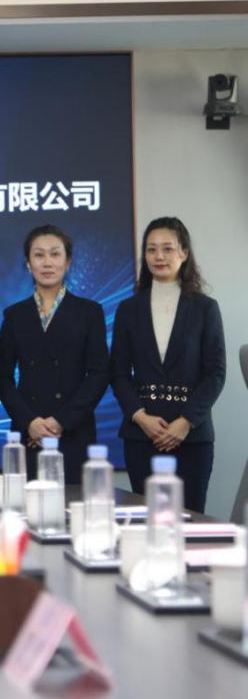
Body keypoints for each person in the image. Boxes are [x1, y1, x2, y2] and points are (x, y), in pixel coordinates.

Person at [111, 217, 225, 513]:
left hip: (192, 437)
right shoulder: (128, 309)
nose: (158, 256)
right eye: (151, 250)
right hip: (141, 436)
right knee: (148, 522)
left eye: (167, 249)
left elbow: (215, 374)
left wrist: (185, 422)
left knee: (190, 521)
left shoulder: (205, 308)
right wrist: (141, 417)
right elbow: (118, 373)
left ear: (184, 253)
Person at [0, 225, 109, 485]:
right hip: (29, 434)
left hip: (74, 431)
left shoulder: (89, 312)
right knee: (26, 505)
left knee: (75, 504)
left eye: (55, 254)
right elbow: (1, 377)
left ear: (67, 262)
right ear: (28, 264)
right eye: (39, 255)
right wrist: (29, 422)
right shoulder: (14, 315)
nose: (47, 262)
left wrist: (61, 421)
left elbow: (99, 373)